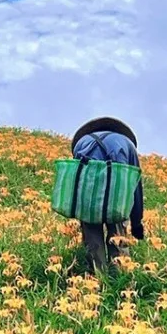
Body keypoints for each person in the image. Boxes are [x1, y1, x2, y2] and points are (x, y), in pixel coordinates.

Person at [71, 116, 145, 273]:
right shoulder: (127, 144)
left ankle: (97, 279)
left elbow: (77, 178)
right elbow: (135, 184)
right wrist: (136, 222)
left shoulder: (81, 143)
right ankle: (119, 278)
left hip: (88, 199)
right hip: (116, 198)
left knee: (93, 242)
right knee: (118, 239)